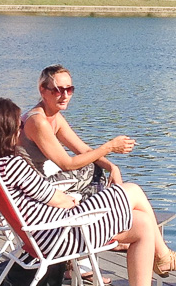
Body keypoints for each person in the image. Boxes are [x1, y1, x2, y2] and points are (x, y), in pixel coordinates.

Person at [0, 98, 176, 286]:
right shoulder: (14, 165)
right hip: (59, 235)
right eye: (18, 126)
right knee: (132, 190)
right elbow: (59, 200)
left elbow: (44, 196)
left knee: (143, 224)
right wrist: (77, 200)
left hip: (45, 232)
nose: (21, 130)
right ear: (9, 131)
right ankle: (164, 257)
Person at [20, 64, 133, 193]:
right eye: (58, 90)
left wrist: (113, 167)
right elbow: (66, 164)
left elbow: (84, 150)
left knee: (94, 165)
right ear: (42, 90)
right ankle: (100, 205)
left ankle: (97, 204)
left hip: (39, 182)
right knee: (92, 169)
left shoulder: (55, 117)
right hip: (32, 187)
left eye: (69, 90)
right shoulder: (38, 121)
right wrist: (109, 147)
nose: (65, 96)